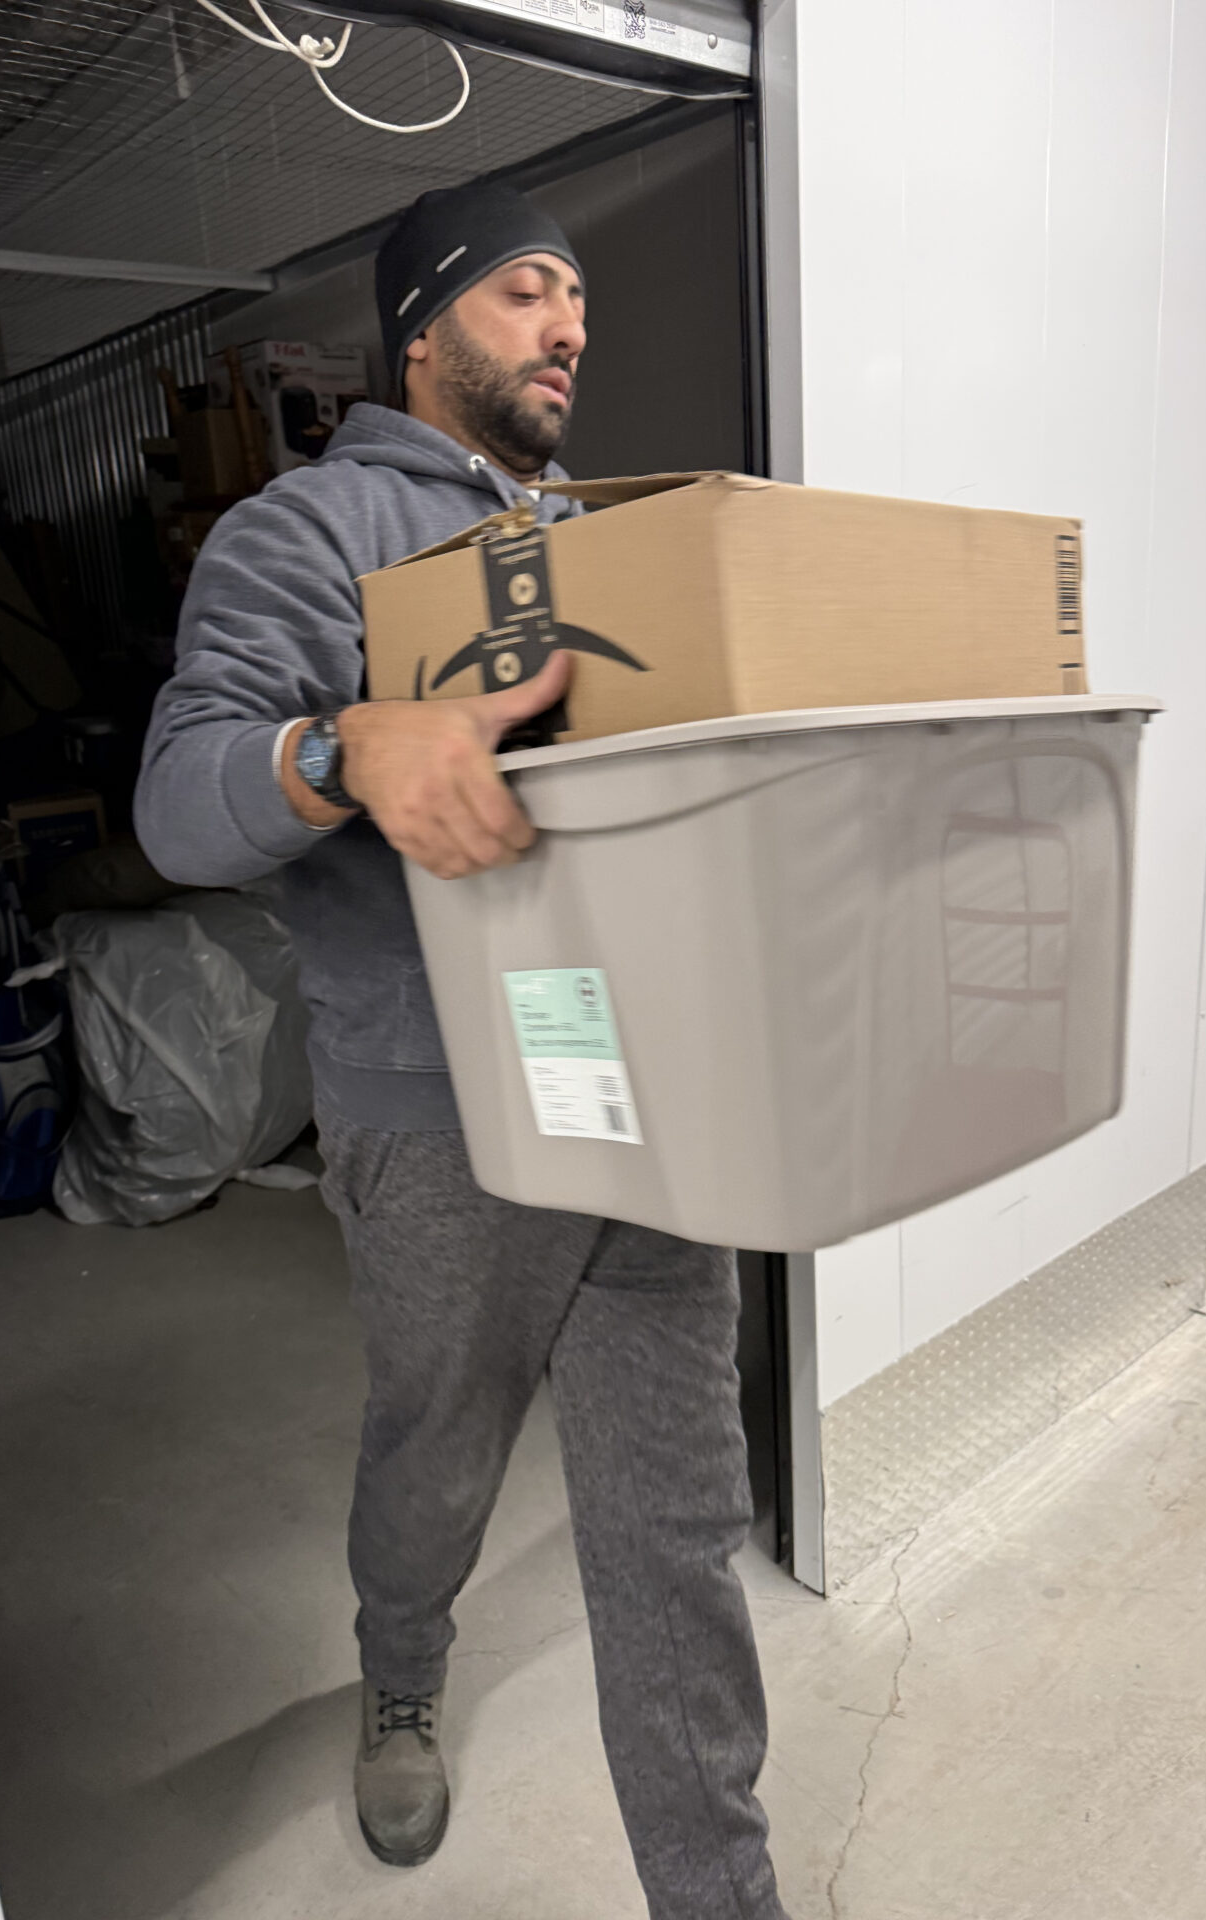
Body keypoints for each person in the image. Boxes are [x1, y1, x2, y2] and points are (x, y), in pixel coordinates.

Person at [135, 180, 788, 1920]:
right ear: (422, 331)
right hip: (439, 1120)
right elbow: (180, 803)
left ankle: (719, 1893)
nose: (570, 324)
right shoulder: (309, 534)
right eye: (524, 292)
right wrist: (344, 749)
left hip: (641, 1092)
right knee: (435, 1457)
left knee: (676, 1529)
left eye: (577, 297)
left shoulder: (614, 545)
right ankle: (401, 1673)